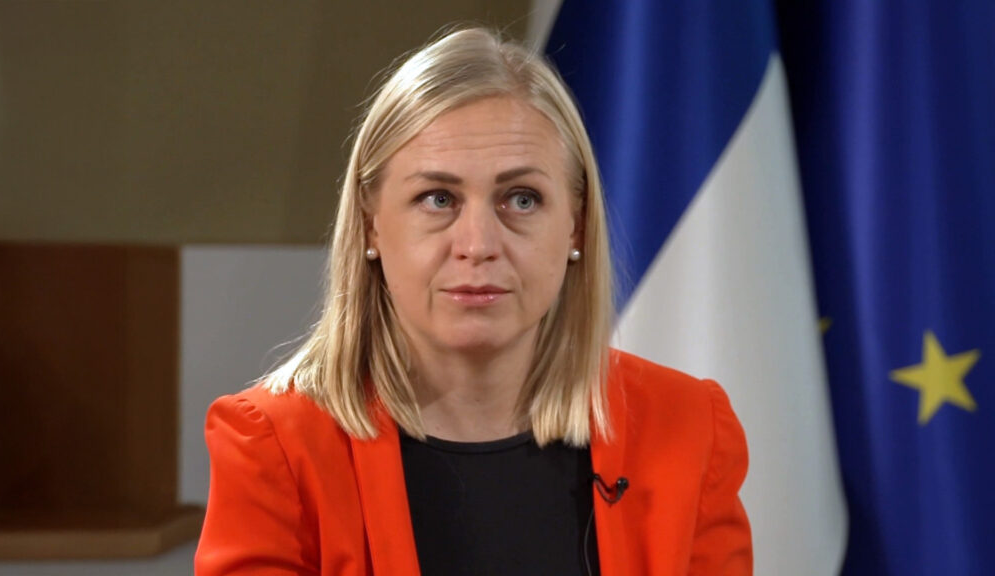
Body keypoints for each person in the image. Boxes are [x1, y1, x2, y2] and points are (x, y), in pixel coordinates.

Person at [195, 27, 752, 576]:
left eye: (522, 199)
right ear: (371, 225)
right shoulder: (274, 446)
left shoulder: (688, 428)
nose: (479, 244)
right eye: (438, 199)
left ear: (577, 226)